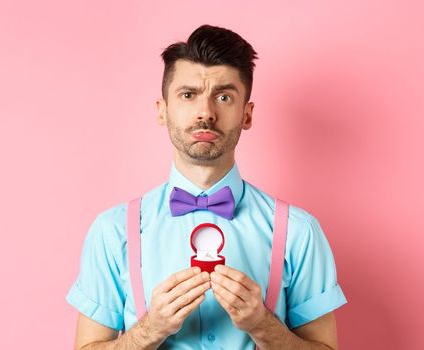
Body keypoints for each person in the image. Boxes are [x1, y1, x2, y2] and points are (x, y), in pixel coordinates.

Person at [66, 24, 346, 349]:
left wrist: (263, 326)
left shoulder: (299, 231)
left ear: (247, 114)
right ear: (162, 110)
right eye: (188, 95)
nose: (206, 113)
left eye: (224, 97)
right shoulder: (113, 231)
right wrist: (151, 329)